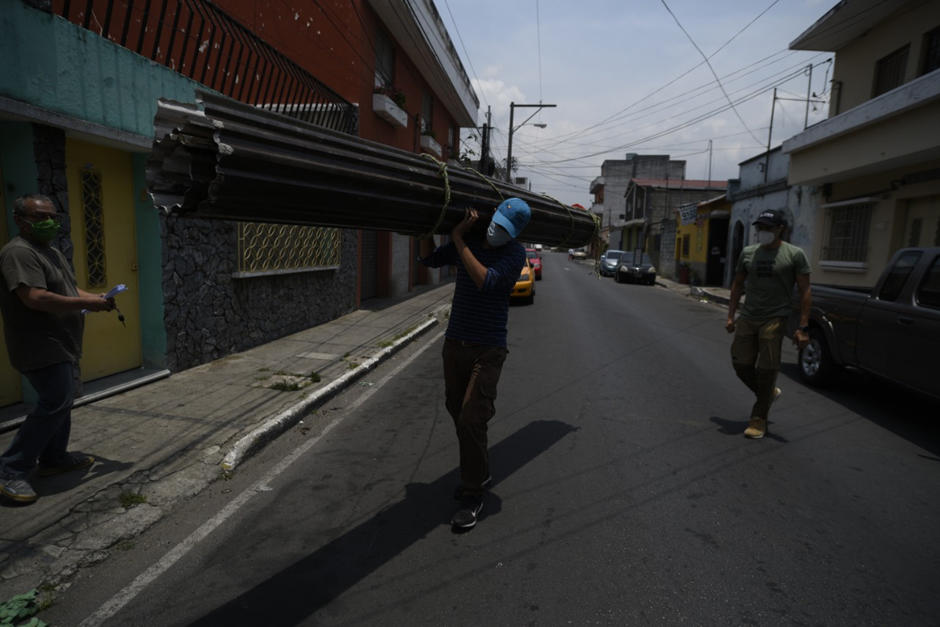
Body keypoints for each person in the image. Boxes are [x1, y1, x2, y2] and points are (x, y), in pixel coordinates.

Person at [420, 198, 530, 529]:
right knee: (457, 409)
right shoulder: (466, 238)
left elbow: (485, 280)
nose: (499, 231)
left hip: (488, 348)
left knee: (471, 415)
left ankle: (473, 494)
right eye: (498, 223)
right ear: (491, 216)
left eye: (507, 230)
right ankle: (478, 469)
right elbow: (430, 259)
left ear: (515, 234)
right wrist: (431, 226)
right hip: (455, 343)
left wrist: (455, 238)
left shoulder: (514, 254)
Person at [0, 194, 115, 504]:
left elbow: (66, 287)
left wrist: (96, 297)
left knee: (62, 401)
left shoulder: (48, 251)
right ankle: (10, 469)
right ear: (20, 220)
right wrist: (87, 304)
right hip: (38, 343)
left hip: (61, 341)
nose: (49, 221)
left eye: (51, 215)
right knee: (54, 401)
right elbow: (34, 297)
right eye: (40, 217)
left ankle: (53, 458)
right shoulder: (19, 253)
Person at [725, 209, 811, 439]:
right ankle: (768, 393)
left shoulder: (794, 254)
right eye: (760, 228)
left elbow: (805, 290)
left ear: (780, 229)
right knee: (740, 364)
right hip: (748, 316)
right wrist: (731, 315)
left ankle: (758, 418)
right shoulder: (748, 253)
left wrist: (803, 327)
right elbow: (737, 285)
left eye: (768, 228)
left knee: (767, 368)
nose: (763, 232)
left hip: (775, 317)